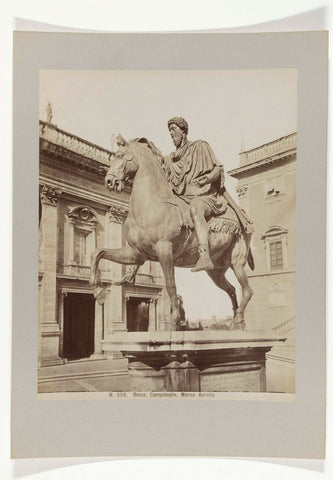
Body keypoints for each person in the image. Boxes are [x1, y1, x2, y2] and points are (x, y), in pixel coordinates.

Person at [163, 116, 253, 273]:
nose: (171, 134)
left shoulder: (200, 146)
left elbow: (218, 168)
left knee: (196, 209)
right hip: (182, 198)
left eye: (173, 130)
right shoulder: (172, 158)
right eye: (169, 131)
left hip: (204, 196)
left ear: (183, 130)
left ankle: (204, 255)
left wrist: (209, 177)